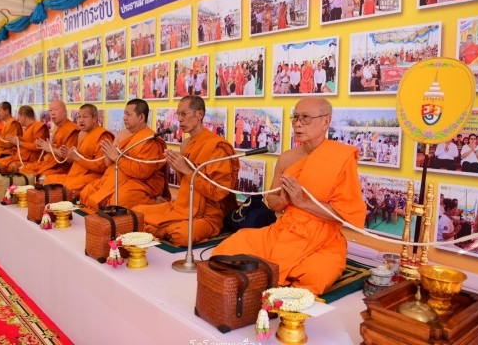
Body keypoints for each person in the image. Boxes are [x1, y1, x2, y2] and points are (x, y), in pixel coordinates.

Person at [212, 98, 366, 295]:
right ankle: (270, 276)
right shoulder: (287, 158)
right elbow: (272, 202)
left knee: (317, 274)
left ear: (325, 121)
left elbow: (345, 214)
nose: (298, 124)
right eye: (296, 118)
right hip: (284, 230)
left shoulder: (340, 157)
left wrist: (302, 202)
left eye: (306, 118)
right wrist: (284, 200)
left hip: (323, 239)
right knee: (230, 247)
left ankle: (273, 281)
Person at [132, 96, 239, 247]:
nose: (180, 119)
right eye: (178, 114)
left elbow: (218, 193)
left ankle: (165, 228)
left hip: (207, 214)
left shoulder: (217, 147)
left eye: (184, 114)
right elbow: (185, 184)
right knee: (135, 212)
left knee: (181, 235)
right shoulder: (185, 144)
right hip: (181, 207)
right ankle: (166, 227)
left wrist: (187, 170)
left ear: (199, 114)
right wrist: (178, 168)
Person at [80, 99, 169, 213]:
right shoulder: (122, 134)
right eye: (124, 113)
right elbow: (108, 164)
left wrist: (117, 157)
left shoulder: (150, 140)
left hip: (142, 182)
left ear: (141, 117)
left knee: (118, 202)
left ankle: (155, 203)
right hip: (116, 177)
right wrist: (108, 154)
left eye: (128, 114)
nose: (124, 118)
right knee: (86, 193)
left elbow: (143, 172)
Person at [44, 104, 115, 193]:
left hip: (94, 176)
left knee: (69, 188)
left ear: (94, 119)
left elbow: (101, 167)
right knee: (49, 179)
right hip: (77, 174)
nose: (81, 120)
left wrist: (77, 157)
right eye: (79, 117)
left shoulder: (103, 136)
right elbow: (82, 157)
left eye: (85, 117)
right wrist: (70, 154)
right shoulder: (84, 134)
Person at [20, 100, 80, 177]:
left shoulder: (72, 130)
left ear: (65, 112)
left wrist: (50, 148)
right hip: (51, 163)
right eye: (50, 110)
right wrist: (49, 147)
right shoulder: (56, 129)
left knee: (41, 175)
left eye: (56, 110)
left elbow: (70, 158)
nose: (52, 113)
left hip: (63, 167)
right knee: (24, 169)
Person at [0, 106, 49, 173]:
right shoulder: (28, 128)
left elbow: (37, 146)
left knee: (11, 166)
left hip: (32, 161)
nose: (17, 119)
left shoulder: (39, 127)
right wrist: (17, 140)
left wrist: (20, 142)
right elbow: (27, 141)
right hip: (21, 158)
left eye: (19, 116)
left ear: (23, 116)